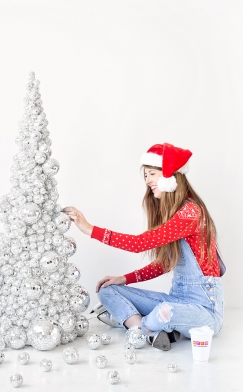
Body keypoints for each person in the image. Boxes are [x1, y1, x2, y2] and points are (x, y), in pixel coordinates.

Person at [64, 143, 226, 351]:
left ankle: (141, 328)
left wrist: (89, 229)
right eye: (145, 175)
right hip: (177, 299)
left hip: (205, 311)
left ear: (170, 177)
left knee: (168, 311)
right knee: (107, 290)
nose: (147, 180)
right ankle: (147, 330)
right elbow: (165, 264)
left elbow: (141, 243)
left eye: (152, 173)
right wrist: (124, 279)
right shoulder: (176, 215)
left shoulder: (191, 213)